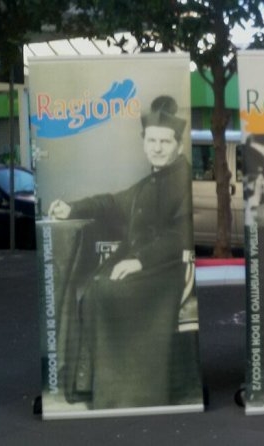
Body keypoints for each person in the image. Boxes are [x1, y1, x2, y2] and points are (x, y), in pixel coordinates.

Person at [48, 95, 197, 409]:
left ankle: (126, 392)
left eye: (165, 142)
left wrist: (139, 261)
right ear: (143, 143)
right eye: (152, 140)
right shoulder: (148, 184)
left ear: (179, 146)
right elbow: (111, 203)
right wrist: (71, 208)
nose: (157, 147)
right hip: (143, 264)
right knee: (94, 287)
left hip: (168, 269)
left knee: (108, 290)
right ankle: (98, 386)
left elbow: (179, 235)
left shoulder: (183, 180)